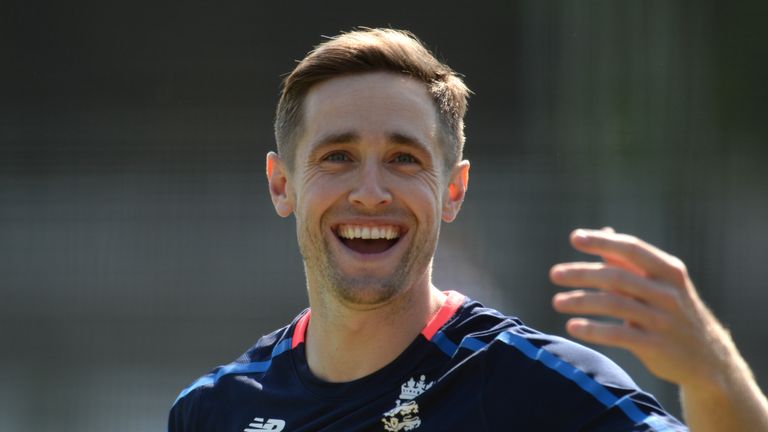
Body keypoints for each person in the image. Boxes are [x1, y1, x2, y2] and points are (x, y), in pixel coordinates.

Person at [168, 28, 768, 431]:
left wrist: (710, 372)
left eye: (405, 159)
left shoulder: (542, 391)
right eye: (337, 157)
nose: (371, 192)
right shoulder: (212, 412)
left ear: (453, 190)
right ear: (282, 184)